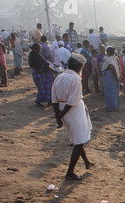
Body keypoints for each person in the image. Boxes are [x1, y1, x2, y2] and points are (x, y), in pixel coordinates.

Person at [52, 53, 94, 181]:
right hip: (73, 112)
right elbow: (72, 101)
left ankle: (87, 162)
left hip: (63, 110)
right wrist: (61, 115)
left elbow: (54, 99)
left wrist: (58, 116)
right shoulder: (75, 79)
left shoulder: (59, 77)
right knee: (79, 141)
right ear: (78, 67)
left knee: (78, 139)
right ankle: (70, 172)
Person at [101, 47, 121, 112]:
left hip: (110, 75)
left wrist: (115, 76)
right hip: (113, 75)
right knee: (114, 91)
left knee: (109, 91)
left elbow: (112, 67)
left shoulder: (109, 59)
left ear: (108, 52)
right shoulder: (115, 58)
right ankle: (115, 105)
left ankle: (111, 106)